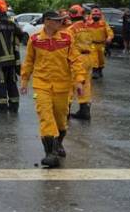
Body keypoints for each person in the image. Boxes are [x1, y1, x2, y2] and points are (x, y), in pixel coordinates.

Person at [20, 11, 85, 168]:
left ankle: (58, 143)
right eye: (57, 21)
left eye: (61, 21)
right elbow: (29, 61)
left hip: (62, 85)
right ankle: (50, 154)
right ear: (47, 21)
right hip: (41, 85)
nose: (61, 23)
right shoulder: (35, 40)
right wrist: (24, 80)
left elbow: (75, 60)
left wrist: (79, 81)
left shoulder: (67, 38)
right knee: (46, 117)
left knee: (61, 120)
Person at [66, 5, 95, 120]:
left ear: (71, 14)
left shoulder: (71, 29)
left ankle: (65, 112)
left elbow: (68, 45)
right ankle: (85, 111)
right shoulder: (88, 27)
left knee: (71, 84)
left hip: (77, 58)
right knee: (86, 83)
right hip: (89, 57)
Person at [88, 8, 113, 79]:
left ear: (100, 15)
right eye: (94, 15)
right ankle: (95, 71)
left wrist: (109, 37)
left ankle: (100, 70)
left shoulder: (104, 24)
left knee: (101, 58)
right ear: (91, 15)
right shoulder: (88, 24)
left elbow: (109, 32)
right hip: (92, 44)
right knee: (94, 57)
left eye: (97, 15)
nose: (96, 16)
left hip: (101, 44)